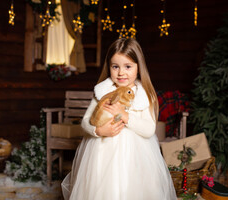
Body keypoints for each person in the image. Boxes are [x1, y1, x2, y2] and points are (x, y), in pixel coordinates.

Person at [61, 38, 176, 200]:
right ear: (109, 67)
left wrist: (125, 115)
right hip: (102, 152)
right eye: (115, 67)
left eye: (128, 66)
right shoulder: (103, 91)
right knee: (103, 190)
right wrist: (98, 130)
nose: (121, 72)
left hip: (135, 155)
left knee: (133, 189)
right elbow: (86, 121)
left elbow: (149, 129)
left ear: (138, 67)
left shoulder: (144, 94)